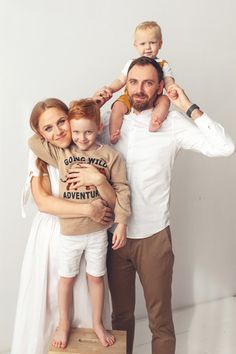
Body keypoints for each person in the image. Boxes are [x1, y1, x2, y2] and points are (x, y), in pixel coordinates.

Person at [97, 57, 235, 354]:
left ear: (161, 86)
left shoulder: (172, 123)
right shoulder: (110, 122)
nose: (139, 89)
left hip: (154, 238)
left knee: (161, 322)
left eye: (148, 82)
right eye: (133, 82)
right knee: (119, 318)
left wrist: (187, 105)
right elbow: (61, 136)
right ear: (126, 83)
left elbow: (225, 147)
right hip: (112, 238)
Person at [11, 98, 113, 354]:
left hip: (87, 233)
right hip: (52, 236)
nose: (58, 132)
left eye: (61, 122)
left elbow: (95, 116)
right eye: (48, 128)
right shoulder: (41, 155)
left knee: (87, 295)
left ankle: (94, 328)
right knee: (50, 297)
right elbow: (43, 202)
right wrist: (87, 209)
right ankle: (59, 329)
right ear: (40, 133)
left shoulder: (89, 147)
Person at [28, 98, 131, 348]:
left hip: (97, 232)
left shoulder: (110, 155)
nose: (81, 137)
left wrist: (121, 222)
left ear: (99, 127)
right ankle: (64, 323)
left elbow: (123, 191)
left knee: (96, 278)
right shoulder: (63, 153)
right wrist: (69, 121)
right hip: (69, 233)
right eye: (76, 131)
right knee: (67, 278)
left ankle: (97, 323)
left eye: (88, 131)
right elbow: (33, 141)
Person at [97, 21, 175, 143]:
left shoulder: (163, 64)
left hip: (154, 97)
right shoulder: (131, 63)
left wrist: (171, 88)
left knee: (165, 100)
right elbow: (120, 80)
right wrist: (110, 89)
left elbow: (168, 80)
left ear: (160, 44)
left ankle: (156, 120)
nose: (148, 47)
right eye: (143, 43)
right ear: (135, 45)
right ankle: (113, 133)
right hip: (130, 97)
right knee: (118, 106)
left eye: (152, 43)